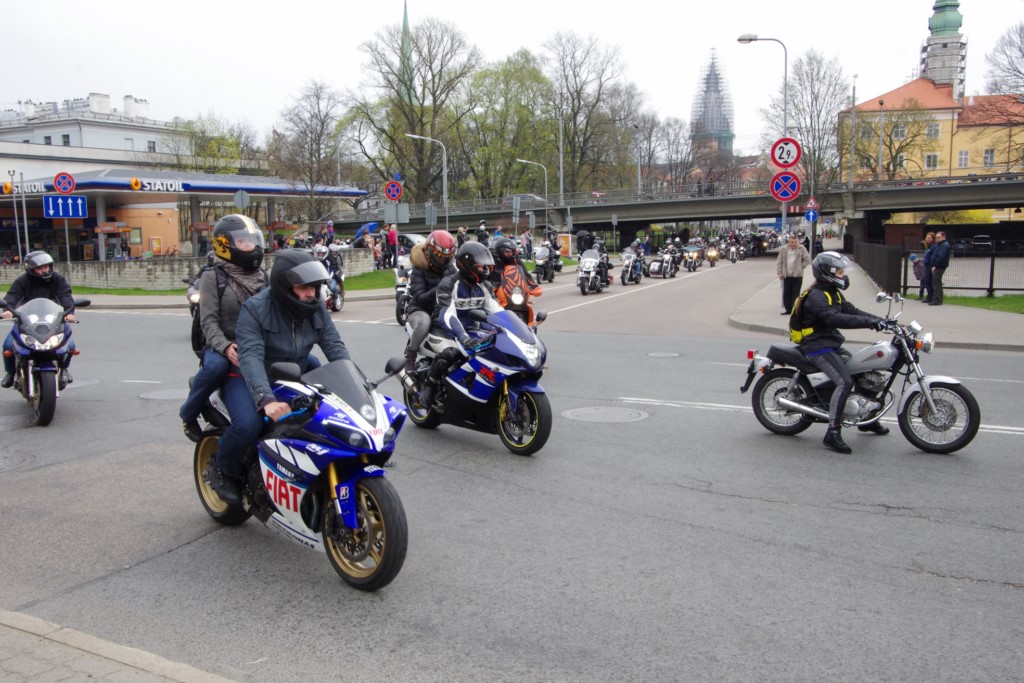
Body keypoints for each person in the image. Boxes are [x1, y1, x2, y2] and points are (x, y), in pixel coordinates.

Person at [205, 250, 350, 504]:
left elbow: (335, 347)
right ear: (284, 288)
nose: (311, 294)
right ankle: (221, 467)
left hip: (291, 371)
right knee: (248, 425)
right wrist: (266, 399)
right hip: (245, 377)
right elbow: (251, 357)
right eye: (303, 287)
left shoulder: (316, 308)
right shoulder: (255, 309)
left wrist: (356, 386)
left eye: (314, 287)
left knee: (321, 415)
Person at [178, 215, 268, 443]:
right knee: (216, 366)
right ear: (224, 244)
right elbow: (208, 321)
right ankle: (189, 412)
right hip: (221, 343)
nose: (249, 246)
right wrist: (225, 347)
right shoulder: (212, 276)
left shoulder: (262, 276)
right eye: (242, 241)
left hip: (253, 344)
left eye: (251, 240)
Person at [792, 251, 889, 454]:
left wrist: (879, 321)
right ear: (826, 273)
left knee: (863, 372)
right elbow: (834, 318)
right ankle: (832, 432)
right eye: (839, 272)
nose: (843, 276)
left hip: (830, 343)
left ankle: (867, 420)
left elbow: (851, 311)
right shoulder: (817, 296)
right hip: (817, 347)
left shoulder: (832, 292)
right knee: (845, 382)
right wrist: (869, 323)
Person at [417, 242, 503, 408]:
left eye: (486, 266)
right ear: (467, 265)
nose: (485, 270)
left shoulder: (484, 285)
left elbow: (496, 310)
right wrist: (462, 336)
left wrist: (516, 329)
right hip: (442, 330)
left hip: (470, 330)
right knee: (452, 353)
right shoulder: (449, 284)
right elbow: (447, 315)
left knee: (492, 349)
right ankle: (429, 385)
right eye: (480, 266)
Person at [1, 251, 77, 389]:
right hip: (26, 319)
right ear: (30, 269)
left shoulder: (58, 279)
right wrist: (8, 310)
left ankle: (64, 369)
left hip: (53, 319)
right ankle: (10, 373)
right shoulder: (23, 281)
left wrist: (69, 313)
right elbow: (12, 296)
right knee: (8, 345)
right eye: (40, 268)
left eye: (46, 267)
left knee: (70, 345)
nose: (44, 270)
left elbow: (65, 296)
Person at [403, 229, 457, 372]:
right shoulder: (419, 268)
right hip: (420, 310)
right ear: (430, 253)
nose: (442, 261)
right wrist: (440, 288)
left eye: (446, 258)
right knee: (424, 322)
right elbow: (420, 298)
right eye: (439, 257)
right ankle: (410, 356)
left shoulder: (450, 268)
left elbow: (459, 282)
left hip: (443, 309)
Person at [777, 233, 812, 316]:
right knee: (786, 293)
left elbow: (807, 259)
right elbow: (779, 261)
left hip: (797, 275)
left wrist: (801, 266)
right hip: (787, 275)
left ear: (797, 242)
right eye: (792, 242)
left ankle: (794, 309)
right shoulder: (783, 249)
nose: (793, 244)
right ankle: (788, 310)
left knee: (795, 293)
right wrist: (780, 273)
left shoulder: (801, 248)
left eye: (795, 242)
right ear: (789, 242)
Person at [929, 231, 951, 306]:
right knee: (937, 282)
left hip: (939, 266)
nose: (936, 239)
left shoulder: (944, 245)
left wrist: (935, 265)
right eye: (936, 237)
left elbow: (940, 257)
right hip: (939, 266)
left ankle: (937, 300)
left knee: (936, 283)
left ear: (943, 237)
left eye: (938, 237)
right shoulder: (941, 245)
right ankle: (938, 299)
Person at [920, 232, 935, 301]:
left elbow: (933, 256)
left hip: (930, 265)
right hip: (927, 265)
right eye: (927, 237)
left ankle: (930, 297)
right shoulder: (928, 246)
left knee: (929, 281)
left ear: (933, 239)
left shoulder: (933, 246)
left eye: (929, 238)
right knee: (927, 281)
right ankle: (929, 296)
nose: (927, 239)